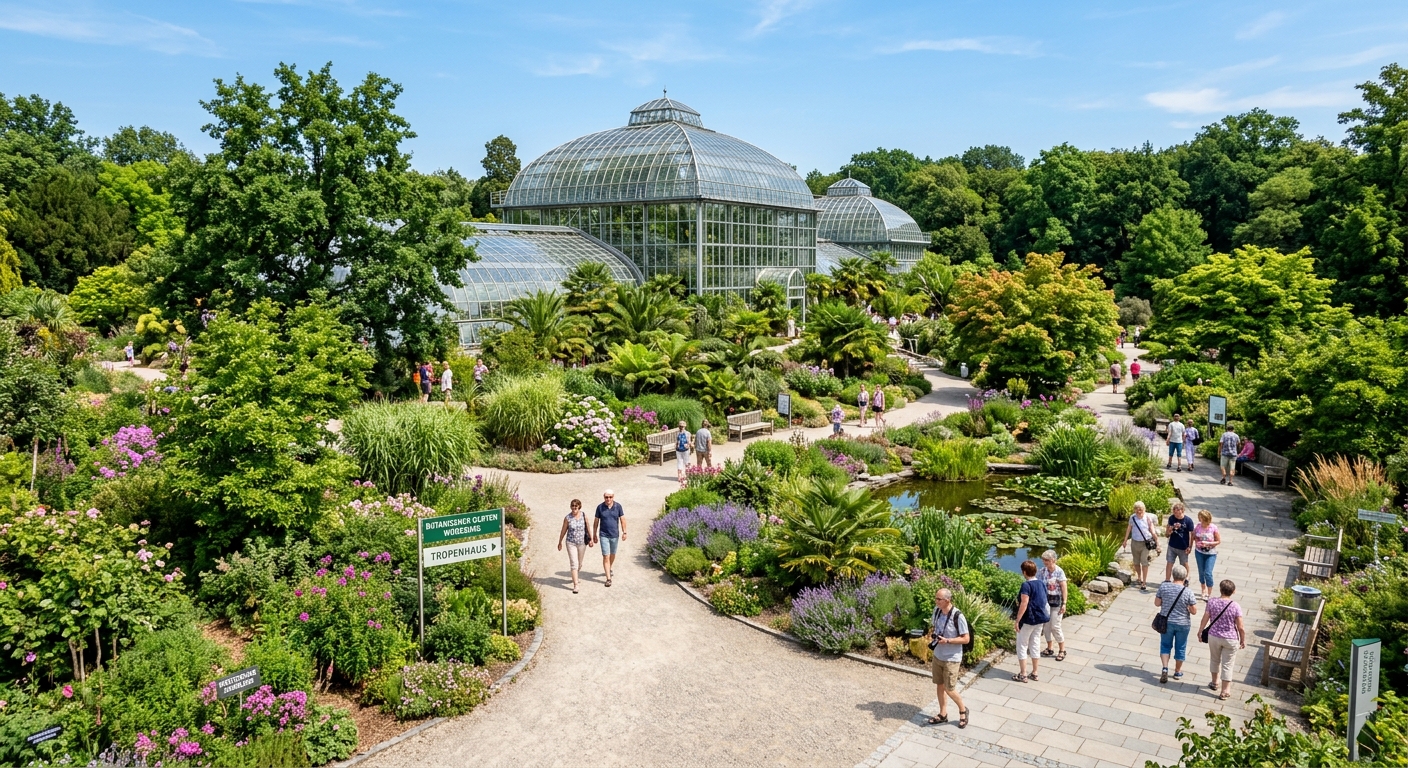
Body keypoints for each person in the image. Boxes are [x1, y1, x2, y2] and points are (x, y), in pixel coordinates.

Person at [925, 589, 970, 728]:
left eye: (939, 599)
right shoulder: (937, 611)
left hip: (952, 657)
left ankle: (963, 710)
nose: (936, 601)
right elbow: (935, 627)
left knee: (950, 688)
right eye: (936, 598)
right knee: (940, 684)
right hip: (938, 654)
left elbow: (966, 639)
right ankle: (943, 714)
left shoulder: (958, 616)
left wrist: (948, 640)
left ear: (947, 600)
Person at [1198, 579, 1246, 700]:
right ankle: (1225, 691)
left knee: (1214, 660)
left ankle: (1214, 683)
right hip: (1230, 638)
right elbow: (1240, 627)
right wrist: (1242, 640)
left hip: (1214, 636)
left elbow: (1205, 617)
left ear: (1220, 590)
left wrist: (1200, 630)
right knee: (1227, 664)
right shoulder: (1235, 606)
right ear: (1233, 591)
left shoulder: (1212, 602)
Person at [1155, 564, 1198, 683]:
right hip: (1183, 624)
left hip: (1166, 622)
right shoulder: (1188, 591)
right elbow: (1194, 611)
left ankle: (1164, 668)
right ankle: (1177, 671)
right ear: (1185, 577)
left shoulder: (1164, 587)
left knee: (1165, 645)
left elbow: (1157, 603)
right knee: (1181, 647)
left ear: (1173, 575)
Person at [1012, 559, 1050, 683]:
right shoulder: (1041, 583)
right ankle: (1035, 672)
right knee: (1035, 643)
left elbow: (1024, 603)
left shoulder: (1026, 585)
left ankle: (1023, 674)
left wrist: (1017, 620)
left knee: (1022, 645)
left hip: (1028, 619)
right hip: (1040, 619)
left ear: (1024, 572)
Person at [557, 499, 593, 593]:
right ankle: (576, 584)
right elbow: (563, 530)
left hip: (582, 542)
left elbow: (588, 527)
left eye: (576, 506)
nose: (574, 508)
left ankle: (575, 575)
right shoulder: (568, 518)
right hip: (571, 543)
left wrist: (591, 539)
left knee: (579, 563)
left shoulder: (584, 515)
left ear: (579, 507)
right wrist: (560, 541)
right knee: (574, 563)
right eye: (572, 506)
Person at [1037, 550, 1068, 661]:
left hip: (1056, 602)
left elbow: (1064, 588)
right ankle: (1049, 647)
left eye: (1047, 560)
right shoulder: (1042, 571)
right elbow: (1039, 586)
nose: (1045, 562)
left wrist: (1064, 603)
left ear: (1053, 560)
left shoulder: (1059, 572)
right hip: (1046, 602)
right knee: (1046, 626)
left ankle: (1062, 649)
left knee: (1055, 626)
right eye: (1044, 560)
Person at [1123, 501, 1159, 591]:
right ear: (1134, 510)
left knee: (1144, 561)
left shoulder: (1147, 518)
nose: (1139, 511)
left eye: (1141, 509)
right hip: (1135, 542)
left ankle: (1144, 581)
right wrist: (1125, 541)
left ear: (1144, 509)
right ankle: (1139, 576)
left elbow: (1152, 530)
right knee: (1136, 562)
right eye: (1137, 509)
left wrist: (1157, 541)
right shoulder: (1132, 518)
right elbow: (1129, 529)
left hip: (1145, 543)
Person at [593, 490, 626, 588]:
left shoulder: (618, 507)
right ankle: (608, 578)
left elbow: (622, 519)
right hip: (604, 535)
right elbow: (596, 522)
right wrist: (594, 534)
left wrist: (625, 532)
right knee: (606, 556)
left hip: (614, 535)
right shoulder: (600, 507)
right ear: (604, 497)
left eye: (610, 497)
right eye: (606, 497)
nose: (608, 499)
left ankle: (609, 568)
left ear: (613, 497)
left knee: (612, 554)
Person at [1192, 510, 1221, 601]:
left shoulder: (1213, 528)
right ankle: (1203, 590)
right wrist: (1196, 543)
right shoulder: (1197, 527)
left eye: (1202, 518)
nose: (1201, 520)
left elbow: (1218, 541)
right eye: (1200, 518)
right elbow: (1194, 537)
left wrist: (1208, 543)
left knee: (1208, 573)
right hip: (1199, 552)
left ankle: (1209, 592)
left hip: (1210, 553)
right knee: (1201, 572)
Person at [1165, 500, 1193, 582]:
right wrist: (1169, 530)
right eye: (1175, 513)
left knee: (1184, 563)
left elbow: (1192, 534)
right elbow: (1167, 533)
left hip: (1183, 547)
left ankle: (1187, 577)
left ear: (1182, 511)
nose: (1176, 515)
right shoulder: (1171, 518)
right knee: (1169, 562)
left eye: (1178, 513)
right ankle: (1167, 579)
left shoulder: (1188, 521)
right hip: (1172, 545)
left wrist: (1190, 546)